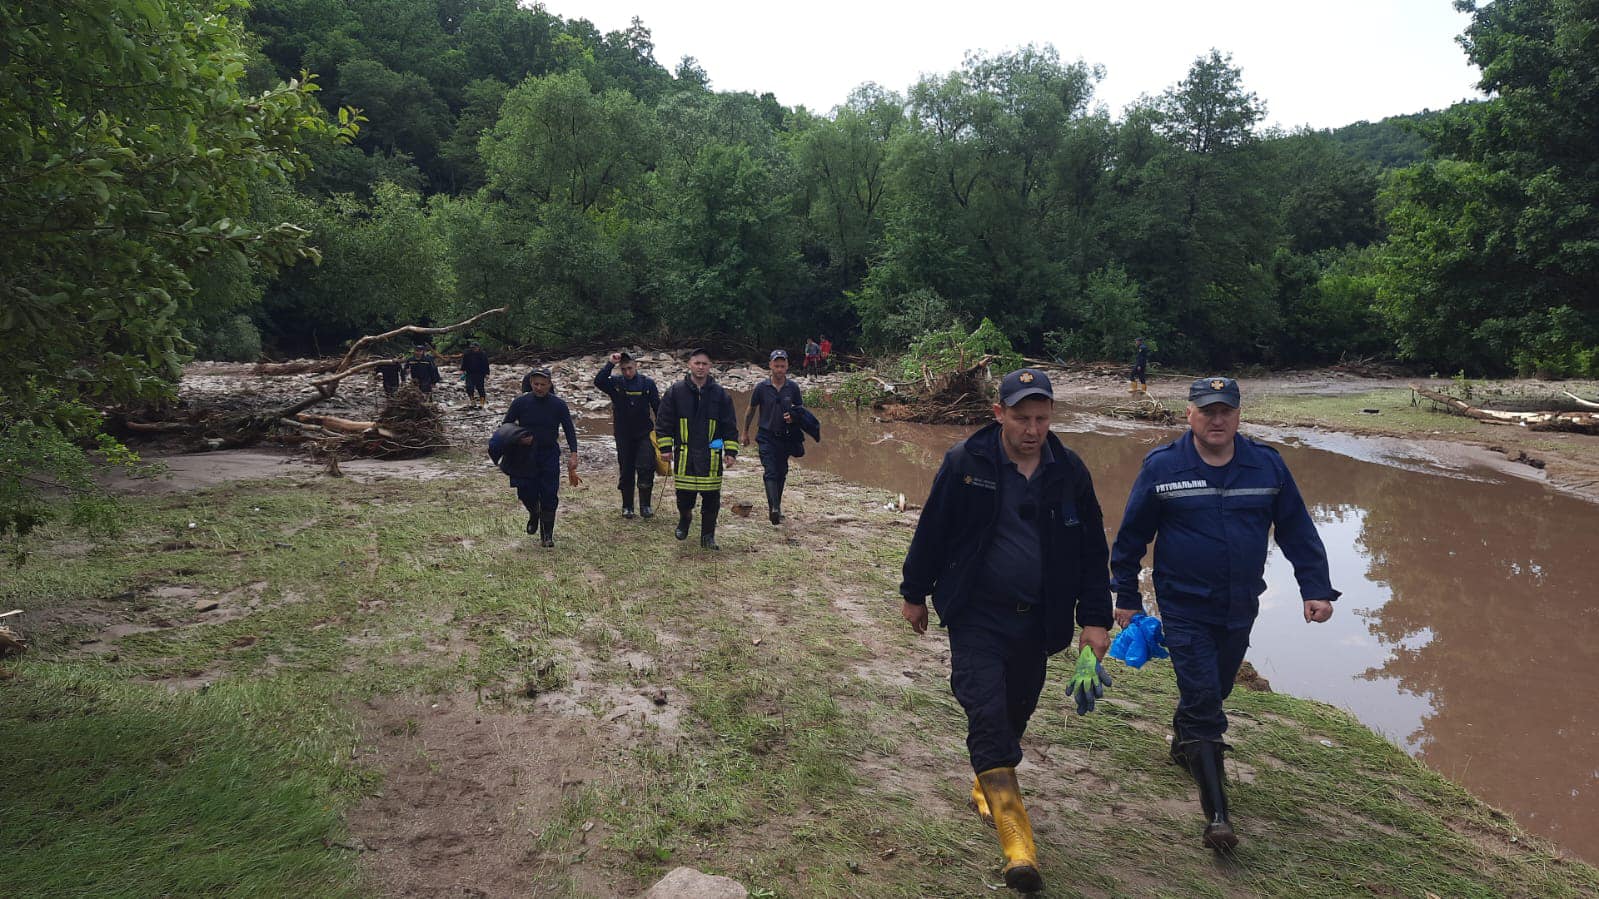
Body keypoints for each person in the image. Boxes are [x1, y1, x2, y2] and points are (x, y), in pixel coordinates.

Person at [899, 368, 1112, 893]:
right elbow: (934, 529)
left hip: (1039, 620)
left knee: (1016, 710)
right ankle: (1019, 844)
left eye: (1041, 418)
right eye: (1021, 418)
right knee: (986, 708)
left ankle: (987, 781)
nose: (1032, 429)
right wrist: (914, 591)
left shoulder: (1070, 472)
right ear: (999, 415)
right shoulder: (965, 463)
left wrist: (1096, 618)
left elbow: (1090, 551)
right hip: (976, 613)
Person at [1110, 376, 1338, 852]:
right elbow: (1131, 537)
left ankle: (1184, 744)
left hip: (1240, 603)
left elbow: (1297, 529)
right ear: (1188, 414)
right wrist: (1126, 595)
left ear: (1238, 415)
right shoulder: (1164, 467)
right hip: (1183, 602)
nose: (1217, 420)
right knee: (1205, 703)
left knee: (1217, 687)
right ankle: (1218, 817)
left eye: (1225, 411)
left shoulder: (1266, 466)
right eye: (1207, 411)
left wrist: (1315, 587)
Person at [655, 348, 739, 550]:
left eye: (705, 364)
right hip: (684, 455)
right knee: (684, 497)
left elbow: (729, 425)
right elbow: (663, 422)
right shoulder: (675, 392)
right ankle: (685, 521)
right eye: (697, 363)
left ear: (710, 367)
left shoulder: (720, 395)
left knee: (711, 499)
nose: (700, 367)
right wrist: (665, 448)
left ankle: (708, 536)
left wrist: (730, 452)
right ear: (689, 365)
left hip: (710, 457)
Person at [502, 368, 579, 547]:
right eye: (536, 384)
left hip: (548, 453)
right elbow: (506, 424)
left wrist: (574, 454)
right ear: (530, 383)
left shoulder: (558, 405)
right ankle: (534, 513)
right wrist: (519, 436)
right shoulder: (520, 403)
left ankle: (547, 535)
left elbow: (569, 429)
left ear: (550, 384)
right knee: (525, 492)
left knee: (549, 494)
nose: (539, 388)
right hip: (524, 454)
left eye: (543, 385)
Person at [594, 351, 662, 519]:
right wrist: (610, 363)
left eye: (630, 368)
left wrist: (663, 431)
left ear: (636, 366)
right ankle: (627, 506)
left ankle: (645, 505)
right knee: (626, 470)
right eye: (623, 369)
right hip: (623, 434)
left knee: (646, 467)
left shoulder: (648, 384)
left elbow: (658, 408)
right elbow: (599, 381)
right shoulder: (615, 383)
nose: (627, 372)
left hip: (644, 433)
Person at [742, 349, 805, 525]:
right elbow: (751, 409)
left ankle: (777, 506)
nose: (779, 369)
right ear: (770, 366)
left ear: (787, 366)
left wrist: (794, 417)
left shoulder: (793, 388)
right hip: (766, 436)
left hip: (785, 437)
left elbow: (801, 411)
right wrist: (745, 432)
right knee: (770, 470)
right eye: (776, 366)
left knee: (782, 472)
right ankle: (774, 508)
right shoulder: (761, 388)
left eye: (782, 366)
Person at [461, 342, 490, 408]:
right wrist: (463, 370)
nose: (474, 349)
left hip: (480, 374)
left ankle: (482, 404)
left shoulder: (483, 354)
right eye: (472, 348)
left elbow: (486, 364)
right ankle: (472, 401)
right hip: (469, 373)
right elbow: (464, 362)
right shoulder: (467, 354)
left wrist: (487, 373)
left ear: (479, 348)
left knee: (480, 388)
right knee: (469, 387)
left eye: (475, 348)